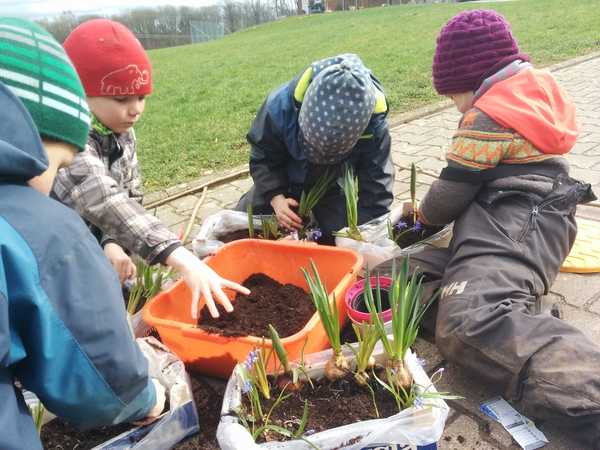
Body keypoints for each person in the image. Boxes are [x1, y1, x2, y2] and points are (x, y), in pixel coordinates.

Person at [378, 9, 599, 446]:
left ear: (469, 80)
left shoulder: (488, 116)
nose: (456, 105)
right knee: (384, 279)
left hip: (518, 220)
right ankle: (494, 303)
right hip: (504, 217)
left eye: (454, 96)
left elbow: (446, 198)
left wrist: (421, 217)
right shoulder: (525, 95)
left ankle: (583, 384)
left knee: (468, 325)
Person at [0, 18, 165, 450]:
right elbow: (93, 367)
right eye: (55, 165)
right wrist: (143, 396)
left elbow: (131, 192)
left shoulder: (124, 139)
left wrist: (112, 241)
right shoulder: (31, 226)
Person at [52, 19, 247, 318]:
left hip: (97, 249)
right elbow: (101, 197)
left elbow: (129, 192)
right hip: (60, 257)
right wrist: (179, 256)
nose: (136, 109)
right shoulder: (65, 138)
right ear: (80, 94)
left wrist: (113, 243)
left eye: (141, 97)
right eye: (121, 99)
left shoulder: (121, 131)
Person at [236, 53, 394, 243]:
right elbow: (263, 157)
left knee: (334, 235)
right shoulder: (279, 108)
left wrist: (359, 233)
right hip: (282, 181)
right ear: (301, 116)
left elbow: (377, 189)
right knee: (241, 223)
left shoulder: (374, 128)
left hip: (330, 189)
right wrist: (275, 197)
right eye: (310, 146)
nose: (318, 156)